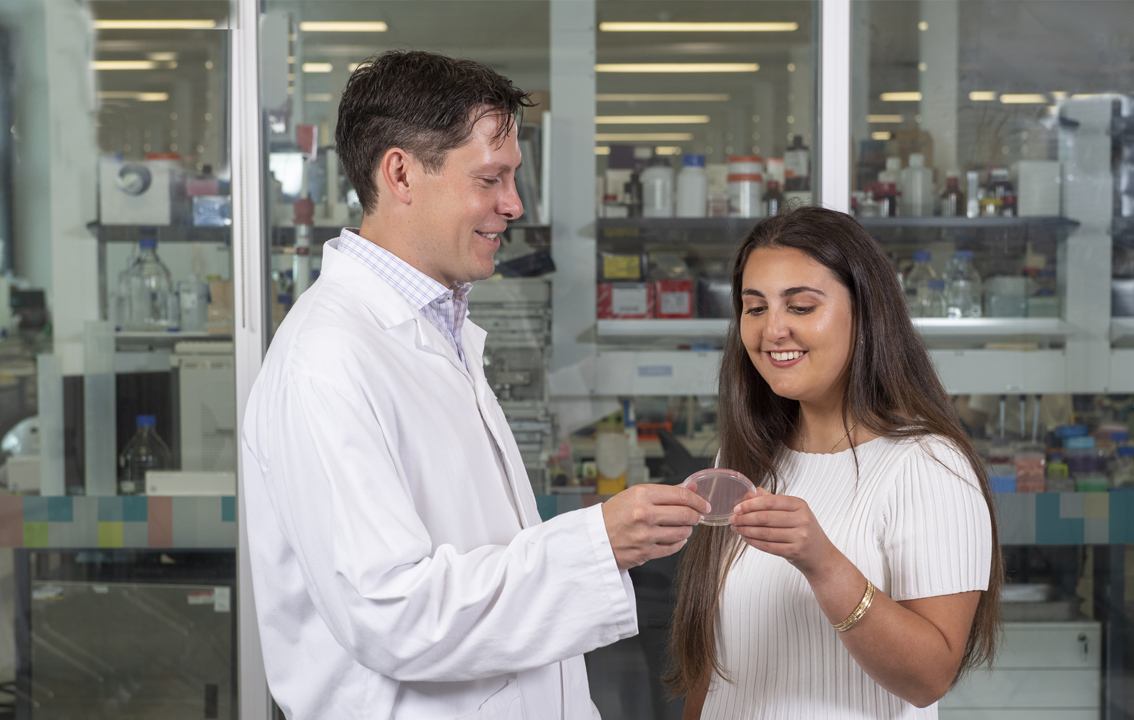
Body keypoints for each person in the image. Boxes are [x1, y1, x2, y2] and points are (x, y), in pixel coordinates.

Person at [241, 50, 708, 720]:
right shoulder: (327, 360)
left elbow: (492, 565)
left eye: (513, 178)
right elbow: (393, 615)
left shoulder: (436, 328)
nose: (513, 204)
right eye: (491, 179)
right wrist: (596, 543)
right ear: (400, 173)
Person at [668, 207, 1003, 719]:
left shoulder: (928, 466)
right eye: (754, 308)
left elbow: (930, 676)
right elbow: (716, 669)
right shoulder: (747, 459)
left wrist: (823, 564)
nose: (772, 329)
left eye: (800, 306)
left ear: (866, 312)